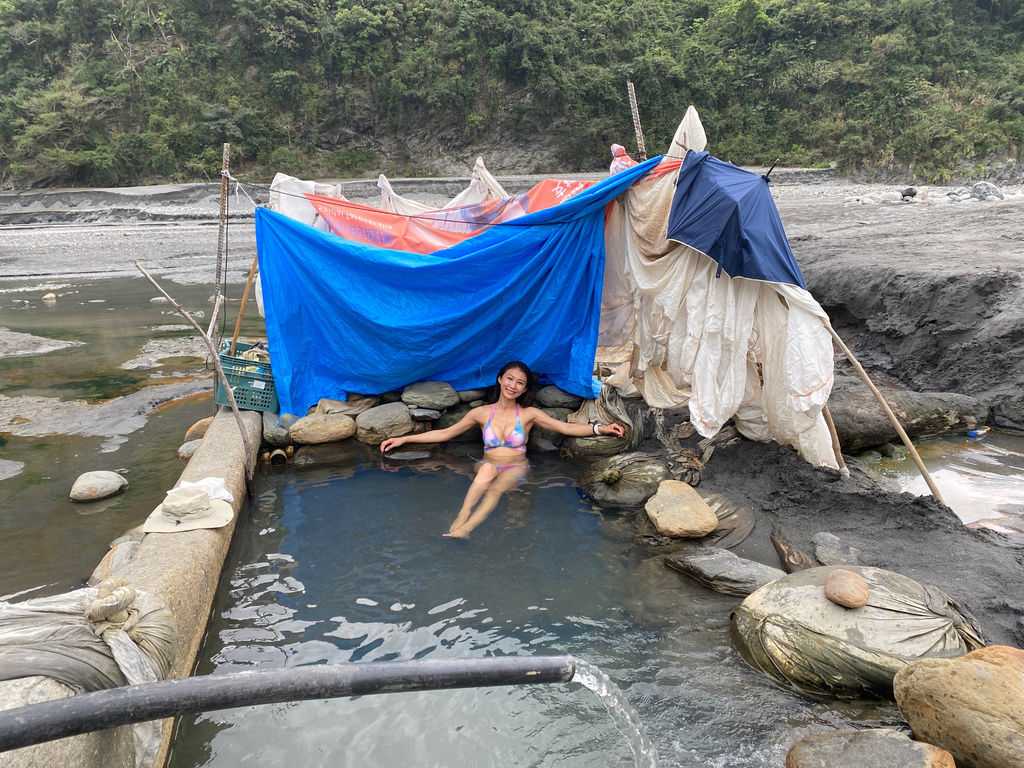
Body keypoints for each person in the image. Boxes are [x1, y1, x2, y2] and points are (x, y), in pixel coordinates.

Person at [380, 361, 625, 538]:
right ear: (500, 379)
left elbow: (565, 428)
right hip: (487, 463)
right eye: (510, 379)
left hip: (516, 467)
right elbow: (445, 433)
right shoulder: (481, 413)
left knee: (495, 489)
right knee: (486, 470)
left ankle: (467, 528)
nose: (513, 385)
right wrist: (404, 439)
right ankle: (462, 515)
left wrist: (600, 429)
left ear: (524, 389)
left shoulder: (529, 414)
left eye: (520, 383)